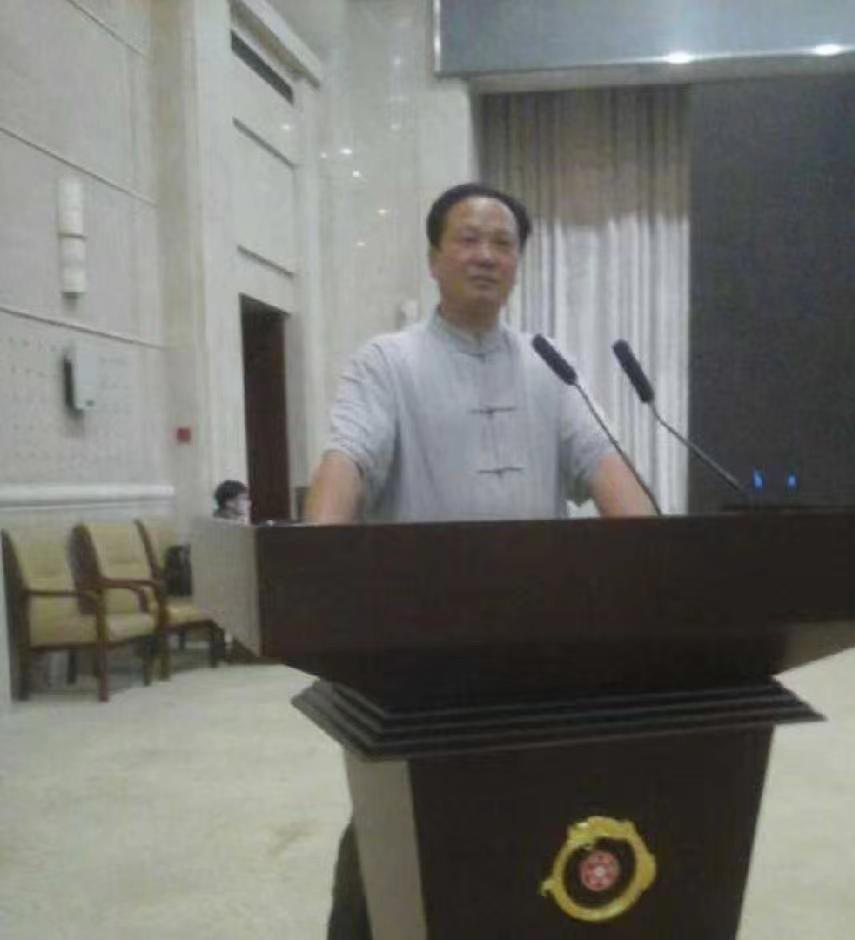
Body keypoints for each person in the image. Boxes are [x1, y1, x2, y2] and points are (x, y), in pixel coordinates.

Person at [304, 182, 657, 938]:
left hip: (534, 647)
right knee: (391, 827)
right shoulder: (387, 362)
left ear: (519, 263)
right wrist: (317, 565)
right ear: (434, 258)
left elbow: (613, 479)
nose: (486, 255)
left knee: (525, 818)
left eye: (503, 243)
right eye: (468, 239)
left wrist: (661, 559)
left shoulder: (550, 366)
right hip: (418, 652)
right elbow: (347, 460)